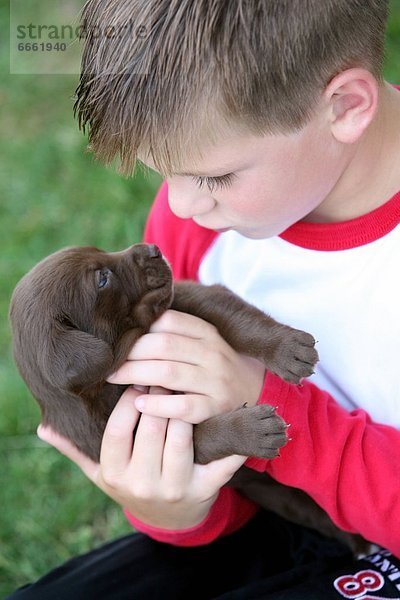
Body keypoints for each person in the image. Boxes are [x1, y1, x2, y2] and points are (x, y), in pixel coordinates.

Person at [8, 0, 400, 598]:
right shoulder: (195, 224)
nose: (182, 205)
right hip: (282, 523)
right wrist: (175, 508)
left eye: (214, 177)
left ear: (344, 105)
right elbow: (226, 494)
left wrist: (274, 406)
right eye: (166, 173)